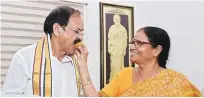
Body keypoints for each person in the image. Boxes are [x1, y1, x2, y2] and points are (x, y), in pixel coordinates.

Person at [75, 26, 202, 97]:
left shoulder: (176, 82)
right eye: (132, 42)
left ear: (156, 50)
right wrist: (82, 65)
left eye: (139, 43)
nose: (131, 47)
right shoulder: (124, 74)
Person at [2, 6, 84, 97]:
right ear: (57, 29)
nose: (80, 37)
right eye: (77, 31)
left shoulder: (77, 61)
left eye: (81, 33)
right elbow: (8, 95)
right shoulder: (25, 57)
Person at [108, 14, 128, 81]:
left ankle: (119, 80)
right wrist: (110, 49)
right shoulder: (111, 28)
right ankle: (113, 79)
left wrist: (124, 50)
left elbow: (125, 40)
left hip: (120, 50)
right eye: (115, 19)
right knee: (113, 66)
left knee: (120, 66)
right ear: (113, 20)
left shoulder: (123, 28)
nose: (117, 20)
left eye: (118, 19)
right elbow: (109, 39)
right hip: (114, 50)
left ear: (120, 20)